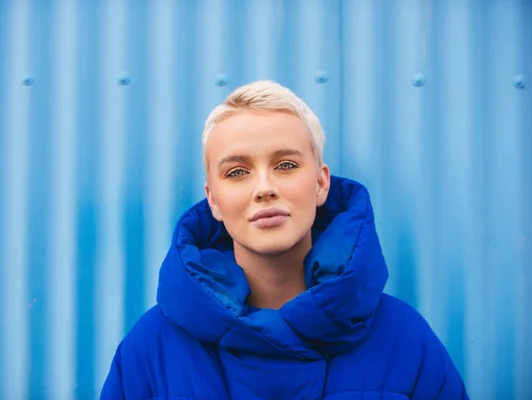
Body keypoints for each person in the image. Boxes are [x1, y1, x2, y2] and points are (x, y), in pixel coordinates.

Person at [100, 80, 469, 399]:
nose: (264, 188)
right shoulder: (151, 349)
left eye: (286, 165)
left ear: (321, 182)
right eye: (238, 172)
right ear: (213, 199)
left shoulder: (403, 339)